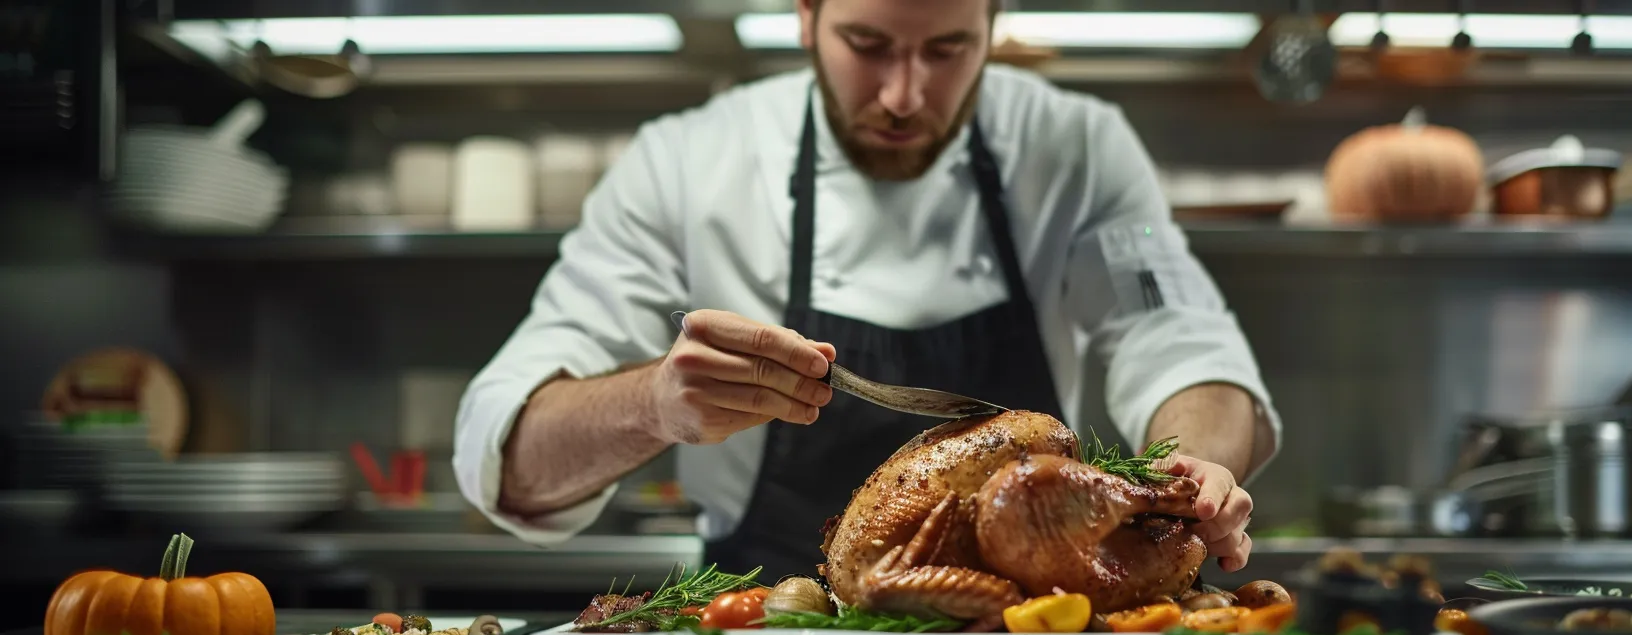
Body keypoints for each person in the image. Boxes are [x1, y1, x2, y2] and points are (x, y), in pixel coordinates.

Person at [453, 0, 1283, 583]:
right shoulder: (684, 163)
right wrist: (653, 406)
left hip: (1026, 629)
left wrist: (1188, 468)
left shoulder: (1079, 148)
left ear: (993, 23)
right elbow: (512, 457)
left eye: (948, 49)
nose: (903, 96)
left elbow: (1177, 335)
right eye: (867, 43)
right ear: (806, 16)